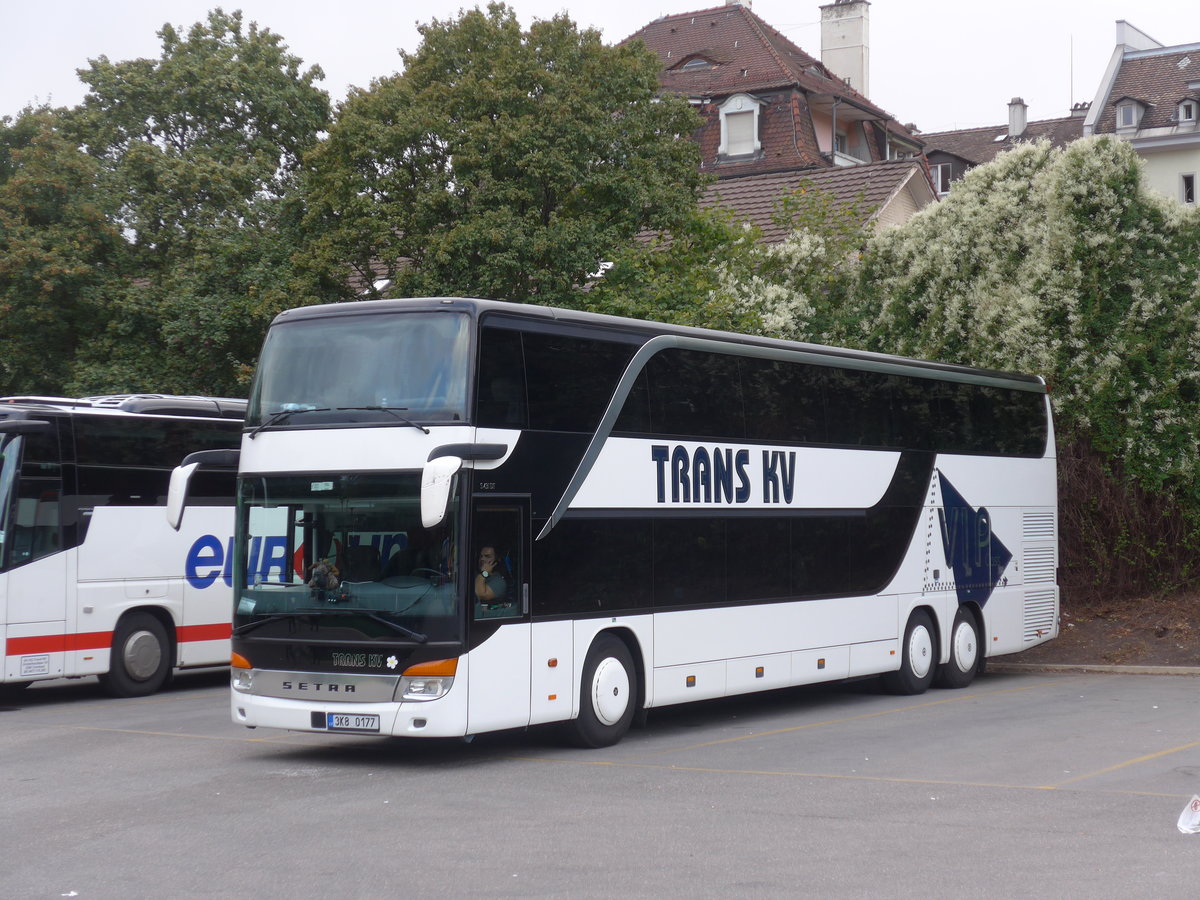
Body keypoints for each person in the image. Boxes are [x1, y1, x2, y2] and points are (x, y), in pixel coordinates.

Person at [474, 545, 509, 612]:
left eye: (487, 556)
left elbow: (479, 594)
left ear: (497, 559)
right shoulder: (476, 575)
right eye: (481, 556)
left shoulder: (499, 582)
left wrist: (484, 573)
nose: (482, 559)